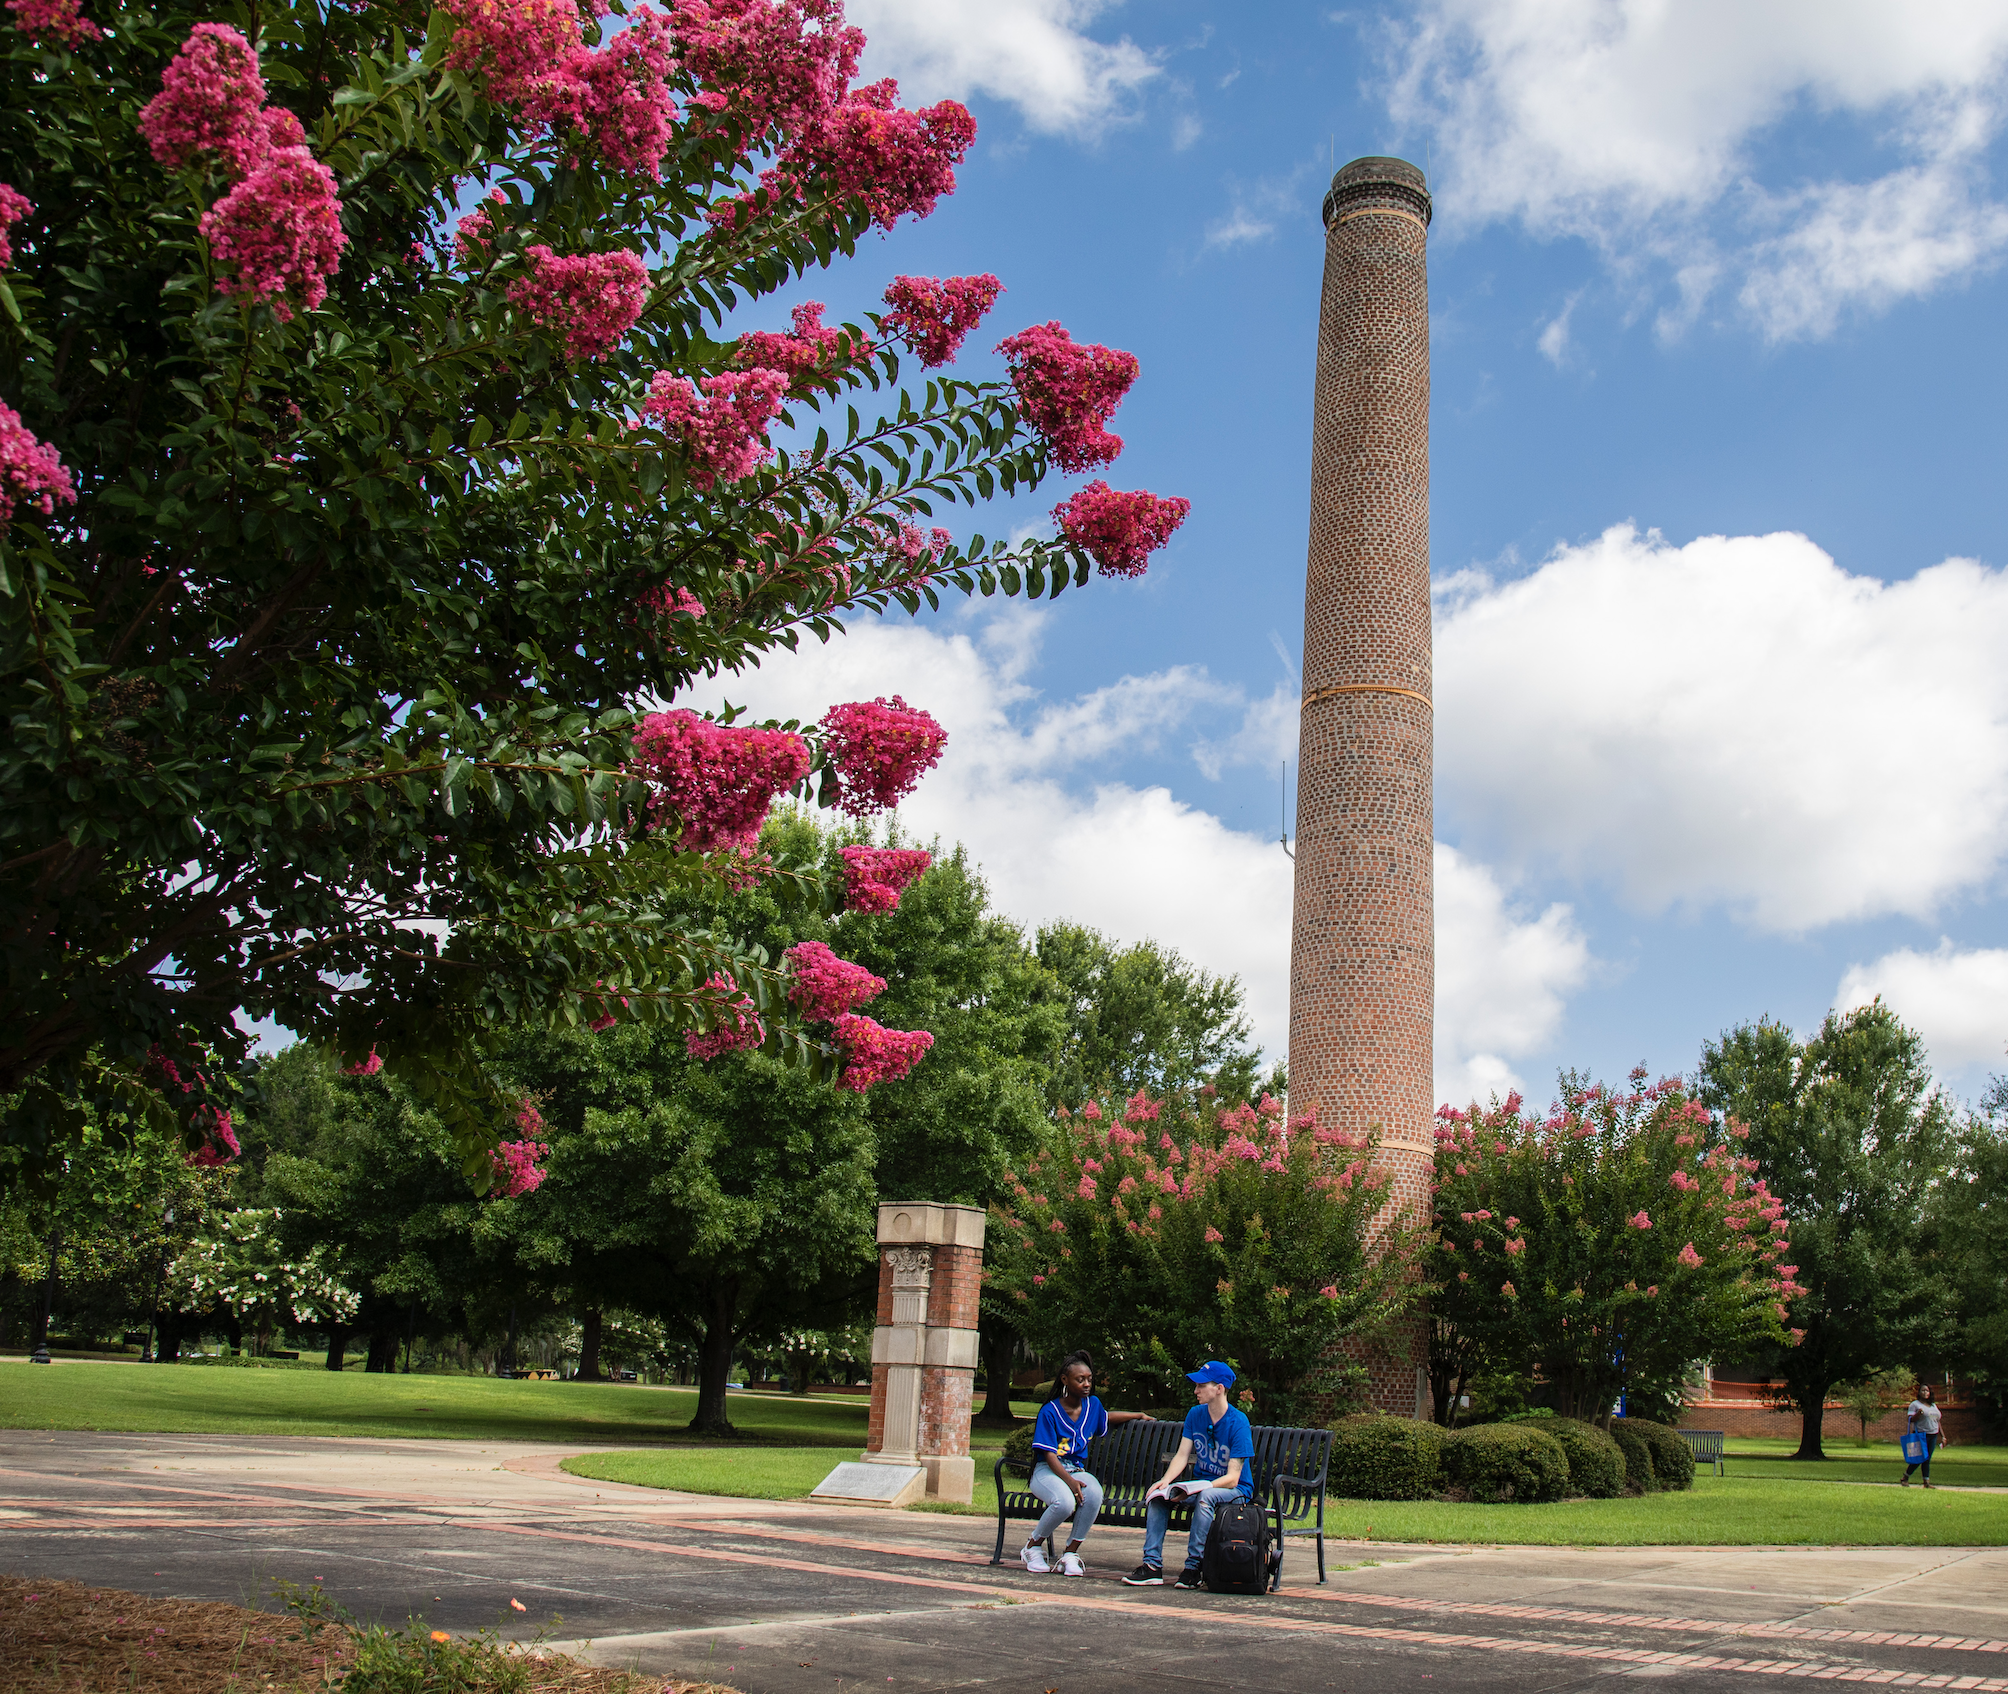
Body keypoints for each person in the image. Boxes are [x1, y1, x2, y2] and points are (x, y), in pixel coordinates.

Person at [1123, 1359, 1256, 1589]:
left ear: (1219, 1389)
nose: (1196, 1391)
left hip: (1234, 1491)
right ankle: (1152, 1566)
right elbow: (1182, 1455)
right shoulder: (1196, 1415)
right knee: (1159, 1498)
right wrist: (1165, 1482)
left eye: (1201, 1386)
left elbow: (1233, 1478)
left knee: (1206, 1498)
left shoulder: (1238, 1422)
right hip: (1202, 1486)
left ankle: (1195, 1567)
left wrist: (1201, 1487)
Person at [1021, 1349, 1148, 1575]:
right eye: (1080, 1380)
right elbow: (1050, 1456)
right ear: (1065, 1380)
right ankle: (1032, 1547)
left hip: (1075, 1470)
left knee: (1094, 1493)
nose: (1086, 1384)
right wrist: (1070, 1482)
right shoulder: (1049, 1411)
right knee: (1064, 1502)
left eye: (1089, 1379)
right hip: (1047, 1471)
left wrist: (1136, 1415)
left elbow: (1105, 1418)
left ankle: (1070, 1553)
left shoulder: (1093, 1405)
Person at [1902, 1383, 1942, 1488]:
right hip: (1921, 1434)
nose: (1925, 1393)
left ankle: (1926, 1482)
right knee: (1920, 1458)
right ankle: (1905, 1477)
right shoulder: (1915, 1405)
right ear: (1919, 1393)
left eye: (1927, 1391)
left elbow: (1937, 1421)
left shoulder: (1933, 1405)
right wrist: (1918, 1414)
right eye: (1923, 1390)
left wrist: (1943, 1436)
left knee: (1927, 1459)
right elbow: (1911, 1420)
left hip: (1933, 1434)